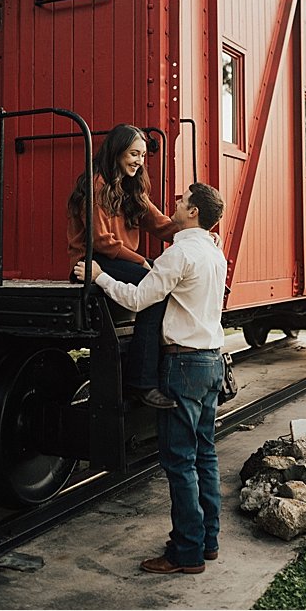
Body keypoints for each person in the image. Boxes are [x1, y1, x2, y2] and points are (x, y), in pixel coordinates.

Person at [74, 182, 228, 575]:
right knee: (205, 455)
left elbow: (139, 299)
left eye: (182, 201)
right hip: (212, 361)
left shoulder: (179, 254)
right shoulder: (213, 252)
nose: (175, 203)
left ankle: (186, 552)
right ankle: (207, 540)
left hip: (185, 365)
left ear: (193, 212)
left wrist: (98, 277)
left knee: (179, 461)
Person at [67, 124, 177, 408]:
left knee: (168, 282)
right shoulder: (95, 185)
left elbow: (161, 224)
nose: (139, 161)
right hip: (91, 261)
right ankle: (142, 382)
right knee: (156, 290)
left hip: (121, 260)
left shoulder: (131, 188)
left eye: (142, 155)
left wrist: (198, 231)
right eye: (133, 154)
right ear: (117, 152)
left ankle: (161, 371)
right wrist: (142, 262)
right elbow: (102, 242)